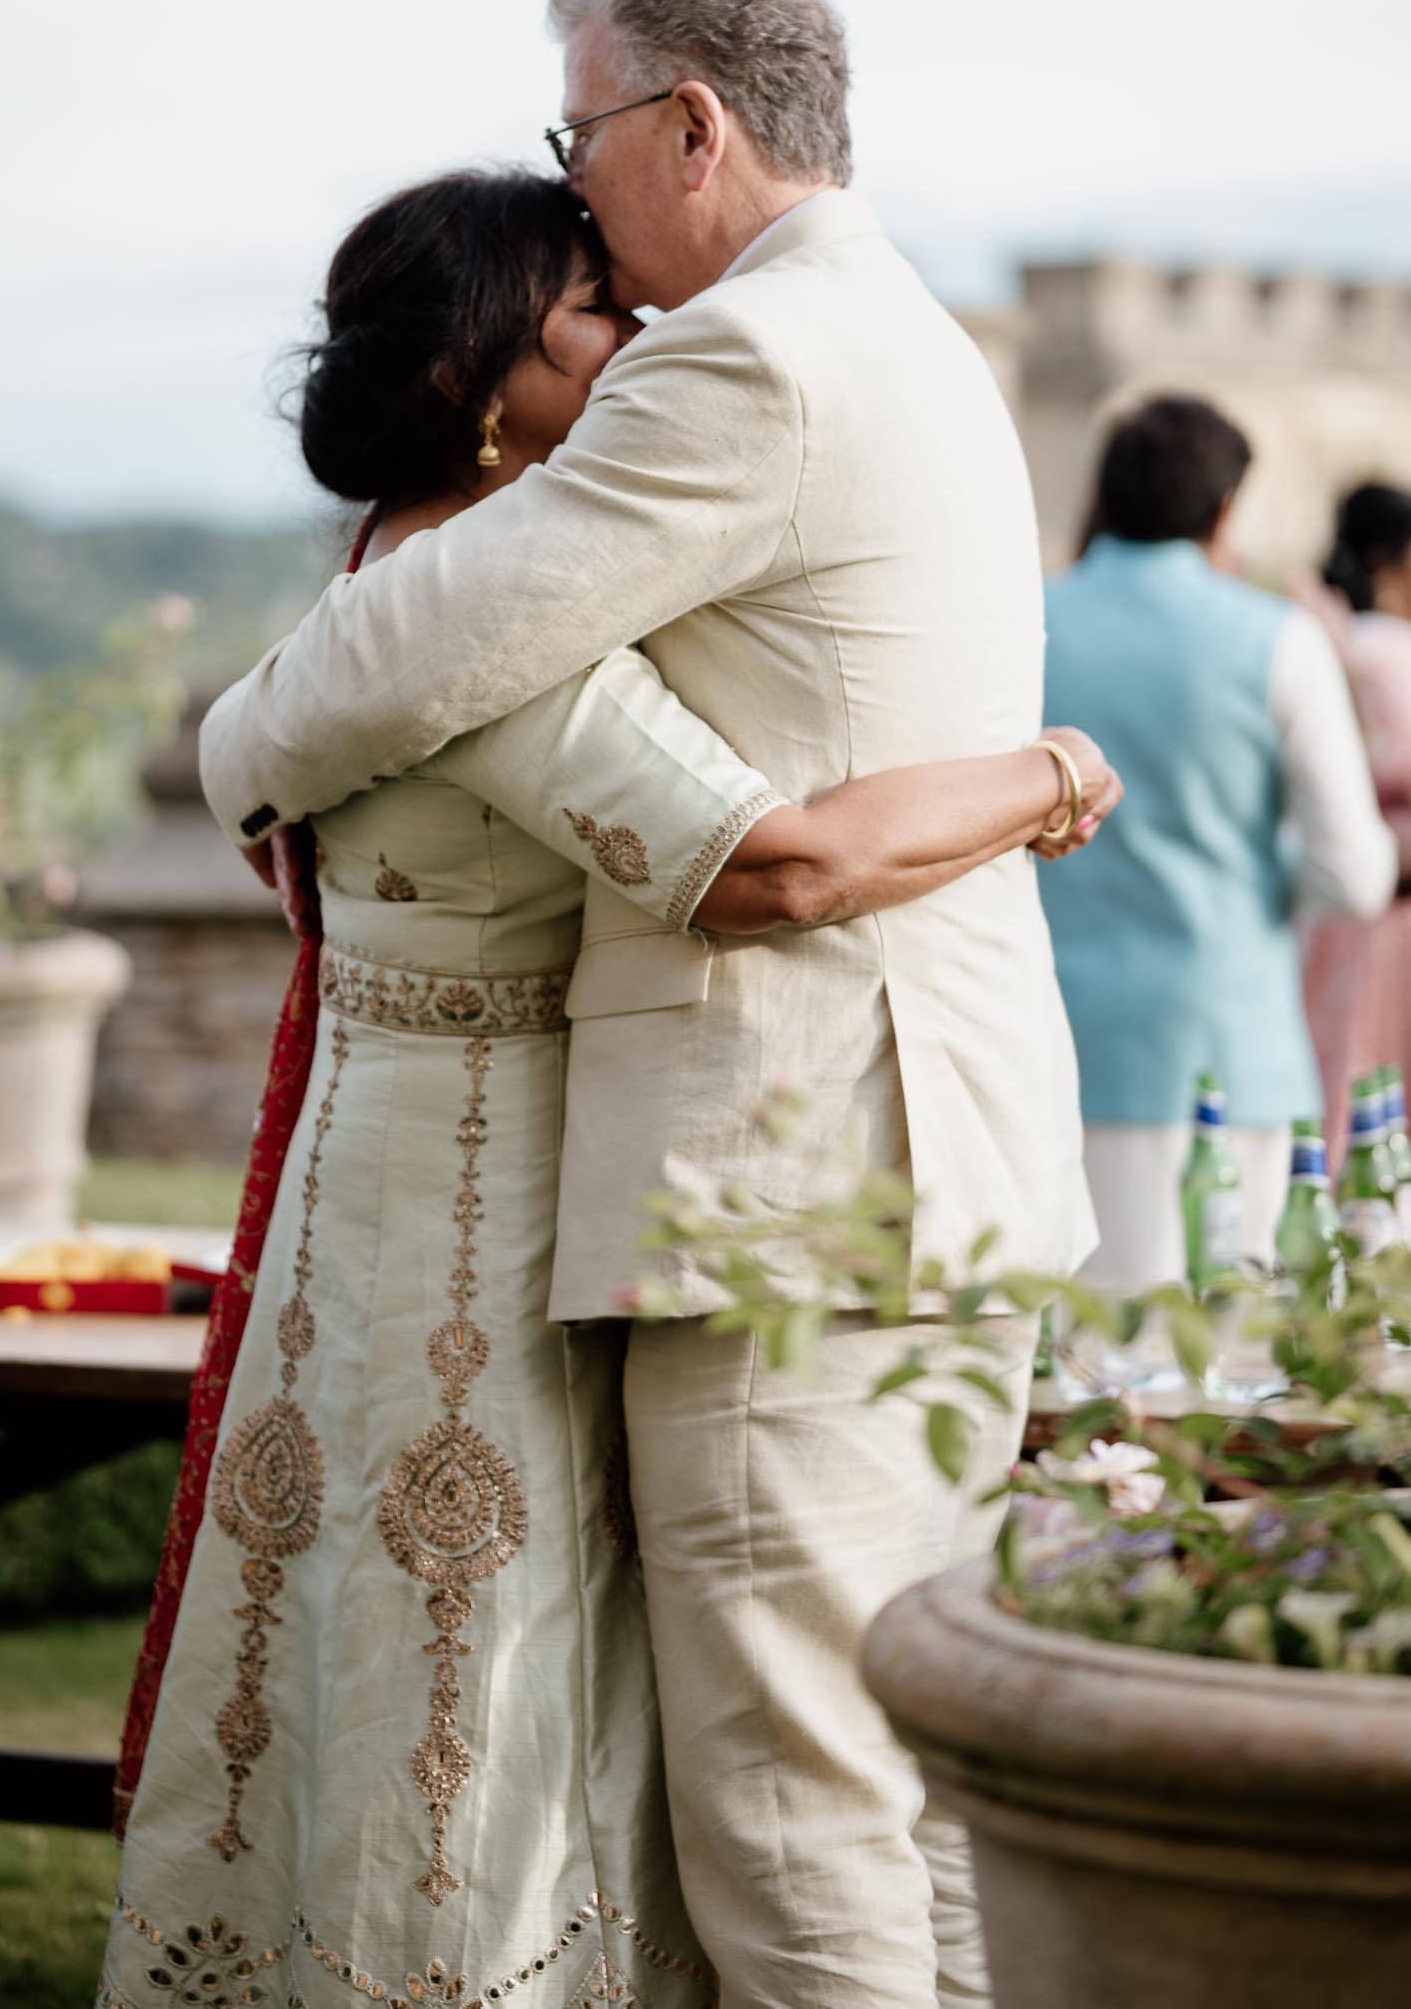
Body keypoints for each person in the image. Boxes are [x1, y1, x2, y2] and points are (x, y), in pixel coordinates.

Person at [103, 161, 1115, 2009]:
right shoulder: (494, 643)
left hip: (390, 1196)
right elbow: (766, 861)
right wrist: (1046, 773)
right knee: (474, 1676)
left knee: (408, 1665)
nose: (639, 336)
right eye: (593, 316)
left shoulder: (383, 588)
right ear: (493, 385)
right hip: (471, 1236)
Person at [1040, 397, 1394, 1288]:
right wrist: (1256, 860)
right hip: (1227, 1052)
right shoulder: (1277, 639)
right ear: (1225, 507)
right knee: (1213, 1374)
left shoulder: (1026, 622)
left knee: (1064, 1377)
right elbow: (1354, 875)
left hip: (1047, 1039)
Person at [1302, 481, 1411, 1158]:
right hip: (1397, 899)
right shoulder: (1389, 650)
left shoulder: (1327, 641)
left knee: (1342, 1049)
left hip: (1336, 893)